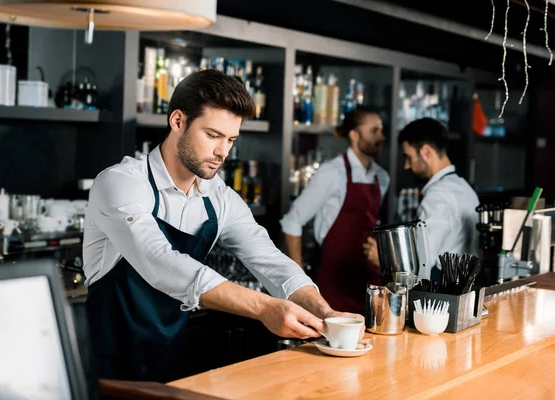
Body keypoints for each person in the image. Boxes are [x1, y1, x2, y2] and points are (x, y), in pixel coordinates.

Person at [82, 69, 361, 383]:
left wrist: (326, 312)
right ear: (177, 121)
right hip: (108, 365)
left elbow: (272, 262)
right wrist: (264, 307)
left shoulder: (220, 198)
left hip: (174, 362)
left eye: (231, 139)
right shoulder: (121, 183)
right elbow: (160, 261)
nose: (223, 152)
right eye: (213, 135)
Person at [280, 106, 390, 315]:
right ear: (354, 135)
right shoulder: (332, 173)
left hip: (369, 280)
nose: (382, 137)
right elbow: (292, 222)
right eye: (374, 131)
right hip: (333, 280)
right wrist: (300, 283)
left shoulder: (381, 178)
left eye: (381, 130)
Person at [364, 117, 480, 274]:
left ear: (426, 152)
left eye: (408, 157)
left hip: (442, 293)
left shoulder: (438, 196)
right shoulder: (463, 188)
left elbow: (422, 263)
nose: (406, 165)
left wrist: (384, 259)